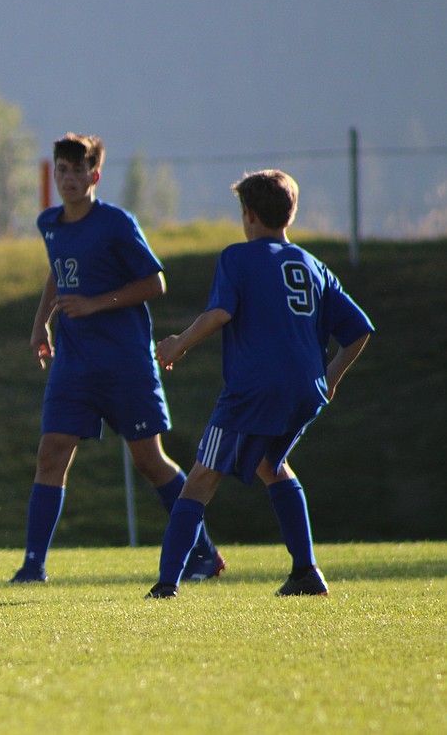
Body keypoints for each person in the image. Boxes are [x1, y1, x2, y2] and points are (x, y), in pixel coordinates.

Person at [146, 169, 372, 599]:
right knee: (272, 465)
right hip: (305, 389)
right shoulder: (314, 266)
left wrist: (178, 344)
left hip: (254, 390)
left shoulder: (239, 256)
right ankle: (306, 572)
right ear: (290, 213)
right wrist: (333, 376)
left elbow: (218, 314)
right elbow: (359, 330)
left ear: (248, 214)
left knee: (200, 478)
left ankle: (165, 585)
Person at [11, 133, 223, 584]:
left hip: (125, 363)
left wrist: (93, 303)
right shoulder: (49, 222)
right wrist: (40, 323)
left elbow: (155, 283)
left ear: (95, 174)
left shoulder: (116, 223)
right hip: (74, 364)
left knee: (149, 461)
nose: (68, 178)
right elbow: (58, 269)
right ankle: (33, 566)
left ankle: (204, 553)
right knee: (51, 454)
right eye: (61, 170)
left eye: (77, 170)